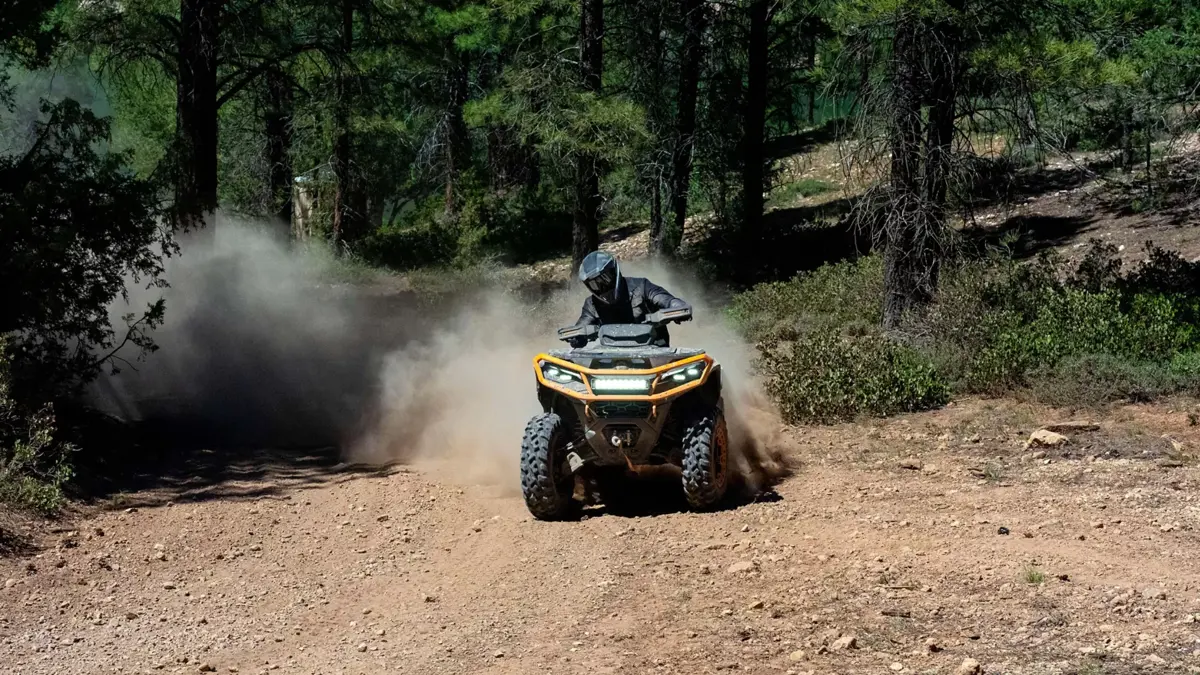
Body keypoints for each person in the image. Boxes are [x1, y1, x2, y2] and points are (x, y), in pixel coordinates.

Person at [569, 250, 690, 347]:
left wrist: (676, 307)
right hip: (611, 358)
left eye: (604, 279)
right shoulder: (591, 304)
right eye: (594, 284)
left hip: (655, 352)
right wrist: (576, 337)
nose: (602, 286)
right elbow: (580, 328)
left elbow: (665, 299)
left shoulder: (642, 286)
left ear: (614, 272)